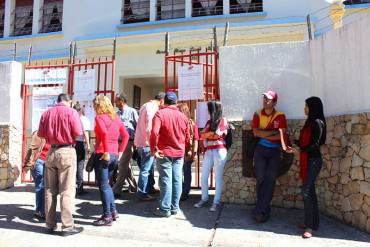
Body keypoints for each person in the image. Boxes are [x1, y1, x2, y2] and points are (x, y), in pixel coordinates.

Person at [38, 93, 83, 236]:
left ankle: (50, 225)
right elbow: (78, 132)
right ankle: (67, 226)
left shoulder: (46, 113)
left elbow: (41, 134)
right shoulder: (72, 112)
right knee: (67, 190)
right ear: (68, 101)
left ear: (57, 101)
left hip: (51, 151)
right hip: (66, 150)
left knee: (50, 190)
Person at [288, 97, 326, 239]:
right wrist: (294, 142)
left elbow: (315, 145)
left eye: (306, 106)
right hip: (308, 160)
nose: (304, 108)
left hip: (314, 161)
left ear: (313, 107)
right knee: (310, 192)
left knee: (306, 192)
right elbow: (306, 143)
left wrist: (300, 151)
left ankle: (310, 227)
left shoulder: (317, 123)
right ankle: (312, 222)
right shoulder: (309, 122)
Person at [150, 92, 189, 217]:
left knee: (166, 180)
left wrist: (154, 149)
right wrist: (185, 149)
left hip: (164, 152)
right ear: (176, 102)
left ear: (164, 101)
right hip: (179, 152)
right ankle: (174, 208)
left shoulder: (160, 113)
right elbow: (188, 137)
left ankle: (164, 209)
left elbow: (154, 133)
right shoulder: (183, 117)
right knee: (177, 180)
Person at [251, 90, 287, 223]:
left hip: (275, 151)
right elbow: (255, 133)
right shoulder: (257, 113)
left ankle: (260, 210)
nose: (265, 100)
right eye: (264, 98)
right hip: (260, 150)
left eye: (269, 99)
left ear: (275, 102)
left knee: (270, 180)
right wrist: (272, 133)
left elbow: (281, 136)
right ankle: (263, 209)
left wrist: (263, 133)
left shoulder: (280, 115)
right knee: (260, 179)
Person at [93, 95, 129, 226]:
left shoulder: (99, 118)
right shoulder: (116, 118)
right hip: (114, 154)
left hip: (104, 154)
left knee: (103, 186)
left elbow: (103, 133)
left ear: (98, 105)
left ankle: (107, 216)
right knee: (107, 185)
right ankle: (113, 211)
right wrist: (120, 152)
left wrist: (106, 151)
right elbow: (126, 135)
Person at [194, 101, 228, 212]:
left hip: (219, 151)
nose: (208, 111)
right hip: (209, 151)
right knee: (204, 177)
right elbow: (202, 135)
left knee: (218, 178)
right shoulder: (209, 122)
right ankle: (204, 199)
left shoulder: (223, 120)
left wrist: (209, 134)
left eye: (209, 109)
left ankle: (216, 202)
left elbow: (218, 133)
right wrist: (211, 134)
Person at [134, 92, 165, 201]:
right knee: (146, 169)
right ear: (162, 100)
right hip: (147, 143)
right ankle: (142, 193)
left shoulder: (144, 105)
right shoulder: (153, 108)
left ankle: (149, 188)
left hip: (140, 142)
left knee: (149, 167)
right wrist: (154, 145)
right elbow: (149, 128)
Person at [112, 93, 138, 198]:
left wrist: (137, 142)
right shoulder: (116, 113)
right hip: (118, 142)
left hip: (128, 142)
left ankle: (116, 190)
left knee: (122, 165)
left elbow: (137, 126)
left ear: (122, 101)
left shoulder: (132, 111)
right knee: (125, 165)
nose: (114, 102)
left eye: (116, 100)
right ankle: (134, 186)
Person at [24, 131, 50, 221]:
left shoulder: (55, 133)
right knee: (40, 186)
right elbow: (31, 149)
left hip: (49, 163)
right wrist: (27, 163)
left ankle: (44, 210)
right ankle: (40, 211)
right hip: (38, 162)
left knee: (47, 188)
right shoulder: (38, 133)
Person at [177, 103, 199, 201]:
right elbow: (196, 139)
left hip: (184, 151)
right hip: (186, 151)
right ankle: (184, 191)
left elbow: (196, 139)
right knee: (185, 172)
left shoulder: (188, 123)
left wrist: (194, 152)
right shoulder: (192, 123)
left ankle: (183, 191)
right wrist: (194, 152)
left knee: (182, 172)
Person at [73, 102, 91, 195]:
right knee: (80, 165)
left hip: (71, 144)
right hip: (80, 143)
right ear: (81, 110)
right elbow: (86, 134)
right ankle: (79, 187)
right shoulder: (84, 119)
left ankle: (71, 186)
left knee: (72, 165)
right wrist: (88, 146)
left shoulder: (71, 118)